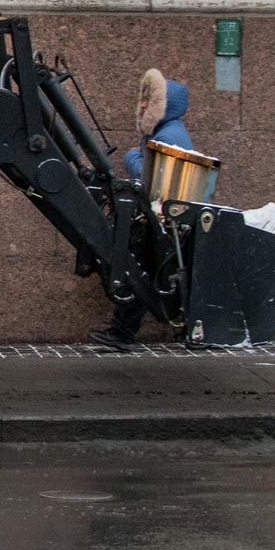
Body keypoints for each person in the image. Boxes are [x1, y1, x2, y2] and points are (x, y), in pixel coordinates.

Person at [90, 68, 194, 350]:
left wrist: (132, 157)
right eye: (144, 98)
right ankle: (122, 332)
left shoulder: (168, 136)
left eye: (151, 99)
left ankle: (123, 333)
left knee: (137, 272)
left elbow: (154, 179)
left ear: (165, 105)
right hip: (159, 219)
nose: (144, 104)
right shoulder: (166, 133)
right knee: (140, 272)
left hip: (159, 220)